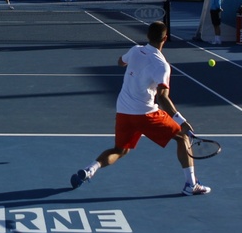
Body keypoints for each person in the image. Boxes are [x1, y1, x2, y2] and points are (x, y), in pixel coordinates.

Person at [70, 21, 211, 196]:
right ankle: (191, 185)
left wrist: (131, 64)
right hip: (145, 114)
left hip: (123, 111)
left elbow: (120, 62)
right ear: (165, 38)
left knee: (119, 150)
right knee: (182, 137)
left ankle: (90, 169)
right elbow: (162, 97)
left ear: (147, 36)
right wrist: (181, 121)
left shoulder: (135, 50)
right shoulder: (162, 66)